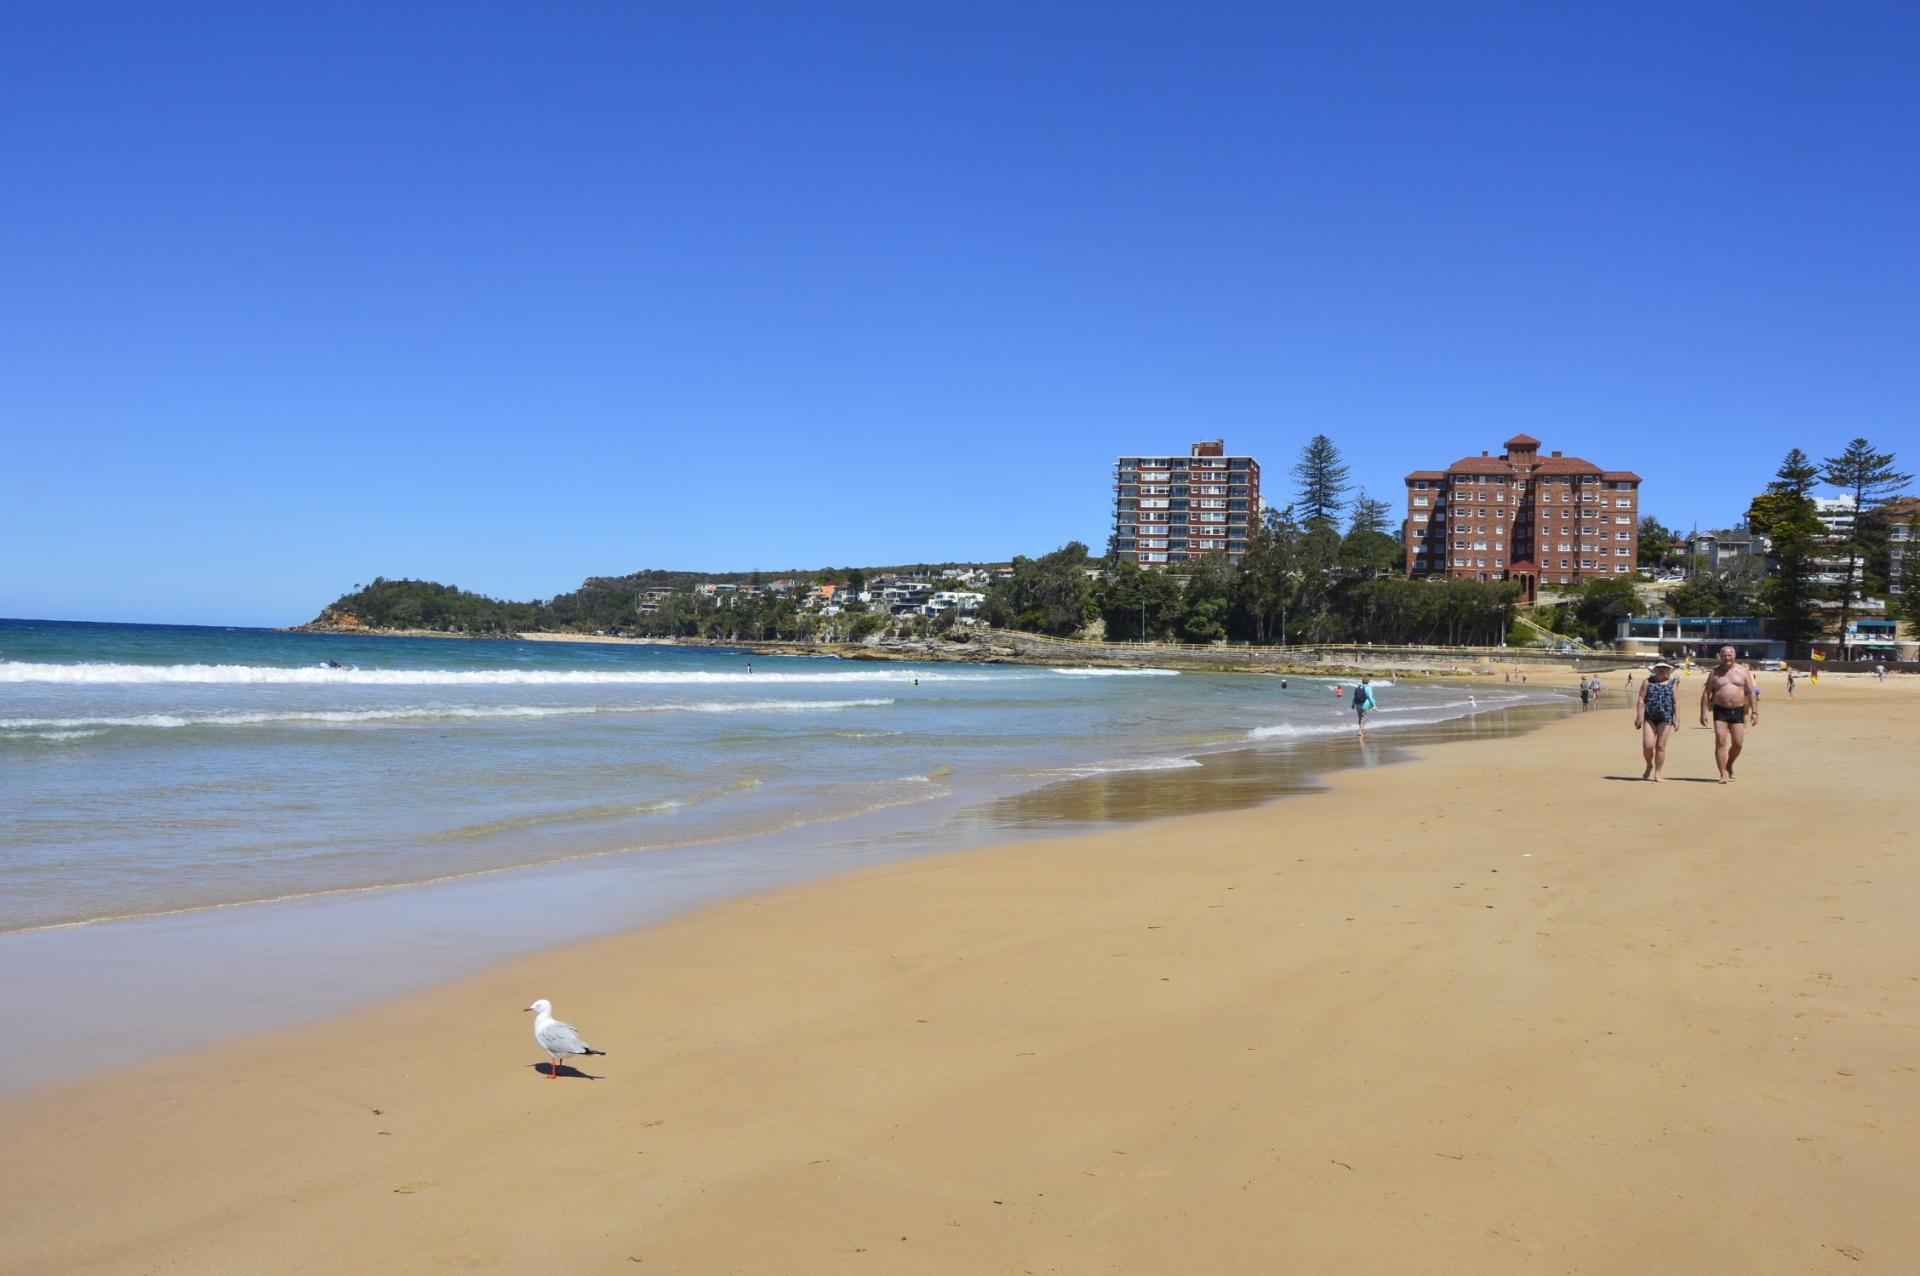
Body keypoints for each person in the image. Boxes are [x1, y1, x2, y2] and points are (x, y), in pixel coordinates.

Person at [1700, 645, 1758, 784]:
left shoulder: (1743, 671)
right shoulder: (1714, 672)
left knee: (1738, 744)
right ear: (1720, 656)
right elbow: (1706, 693)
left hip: (1738, 710)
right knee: (1720, 741)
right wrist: (1703, 713)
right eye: (1724, 655)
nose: (1727, 658)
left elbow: (1751, 692)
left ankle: (1729, 764)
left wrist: (1755, 711)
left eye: (1729, 655)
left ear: (1734, 656)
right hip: (1720, 710)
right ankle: (1723, 773)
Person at [1635, 661, 1678, 782]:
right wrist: (1639, 716)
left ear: (1668, 670)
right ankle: (1649, 764)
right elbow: (1641, 699)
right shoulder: (1647, 682)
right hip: (1649, 717)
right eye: (1659, 667)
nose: (1661, 670)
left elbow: (1676, 703)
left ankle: (1658, 772)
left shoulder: (1672, 684)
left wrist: (1677, 719)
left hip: (1666, 717)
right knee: (1648, 746)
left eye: (1664, 668)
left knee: (1660, 746)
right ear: (1654, 669)